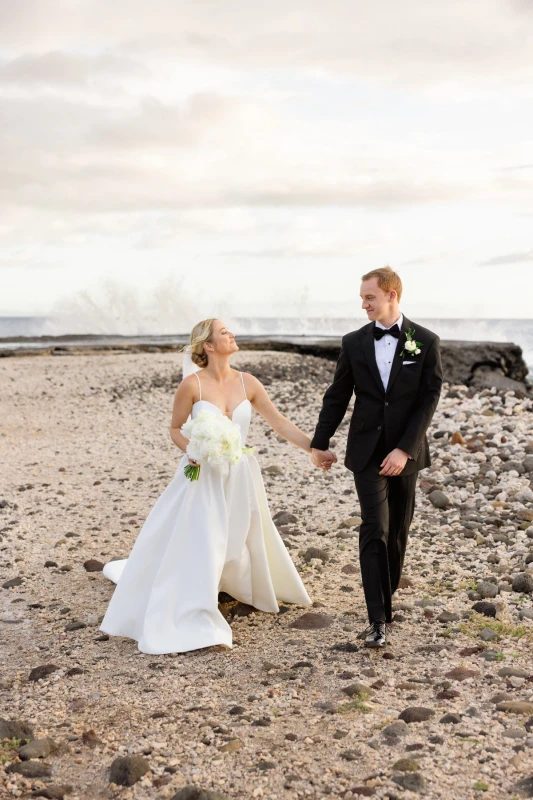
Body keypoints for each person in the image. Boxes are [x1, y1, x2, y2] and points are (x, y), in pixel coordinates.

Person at [100, 319, 312, 654]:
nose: (232, 334)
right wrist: (192, 450)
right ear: (208, 346)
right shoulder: (192, 385)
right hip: (203, 475)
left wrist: (314, 448)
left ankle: (230, 583)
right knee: (206, 537)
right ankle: (197, 607)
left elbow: (279, 422)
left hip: (240, 474)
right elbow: (174, 429)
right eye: (224, 332)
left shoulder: (248, 382)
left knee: (241, 535)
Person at [310, 267, 442, 647]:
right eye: (362, 298)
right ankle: (377, 619)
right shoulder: (353, 343)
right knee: (374, 528)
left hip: (406, 451)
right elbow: (337, 396)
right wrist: (320, 443)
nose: (364, 304)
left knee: (398, 532)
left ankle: (388, 598)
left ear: (392, 295)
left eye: (370, 297)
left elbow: (428, 400)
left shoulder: (426, 341)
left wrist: (404, 449)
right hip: (365, 451)